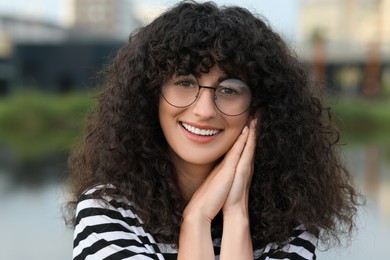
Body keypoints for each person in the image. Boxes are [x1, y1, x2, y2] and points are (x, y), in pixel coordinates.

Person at [66, 1, 362, 259]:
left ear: (260, 108)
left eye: (229, 89)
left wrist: (236, 215)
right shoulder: (108, 211)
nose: (204, 110)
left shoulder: (291, 220)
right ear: (150, 95)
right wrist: (197, 219)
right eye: (185, 83)